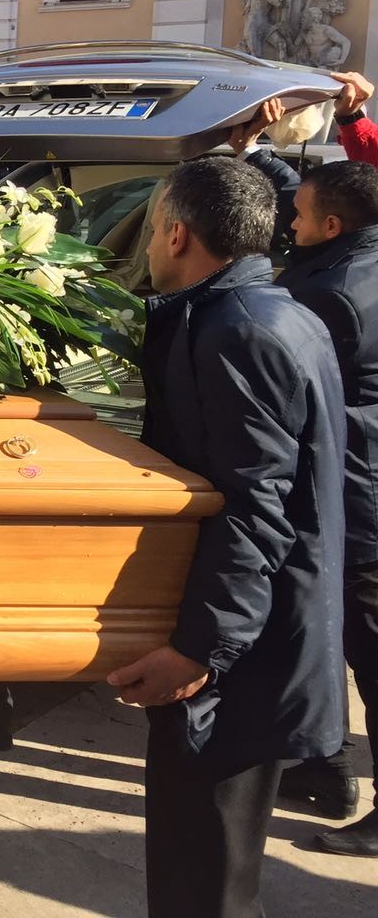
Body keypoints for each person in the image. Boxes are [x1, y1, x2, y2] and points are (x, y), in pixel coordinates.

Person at [107, 156, 346, 916]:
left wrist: (199, 651)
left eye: (151, 230)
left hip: (239, 652)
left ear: (177, 235)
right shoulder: (265, 311)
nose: (147, 247)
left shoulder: (237, 332)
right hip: (250, 636)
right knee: (205, 868)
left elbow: (254, 507)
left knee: (203, 880)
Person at [274, 159, 378, 855]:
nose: (291, 223)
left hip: (356, 490)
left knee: (366, 648)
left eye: (301, 215)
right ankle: (323, 763)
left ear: (332, 225)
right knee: (334, 630)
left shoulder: (330, 292)